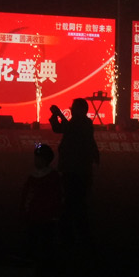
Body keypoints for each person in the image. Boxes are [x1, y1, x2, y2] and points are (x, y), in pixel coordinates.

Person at [50, 97, 100, 247]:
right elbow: (61, 128)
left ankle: (72, 235)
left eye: (74, 107)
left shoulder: (82, 123)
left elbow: (65, 129)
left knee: (73, 201)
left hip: (75, 168)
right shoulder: (84, 123)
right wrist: (56, 116)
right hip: (78, 167)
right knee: (76, 201)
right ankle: (78, 234)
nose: (71, 109)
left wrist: (58, 114)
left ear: (80, 110)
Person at [21, 143, 64, 265]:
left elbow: (55, 198)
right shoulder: (38, 176)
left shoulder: (51, 177)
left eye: (38, 158)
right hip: (36, 218)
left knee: (44, 246)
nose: (36, 160)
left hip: (45, 219)